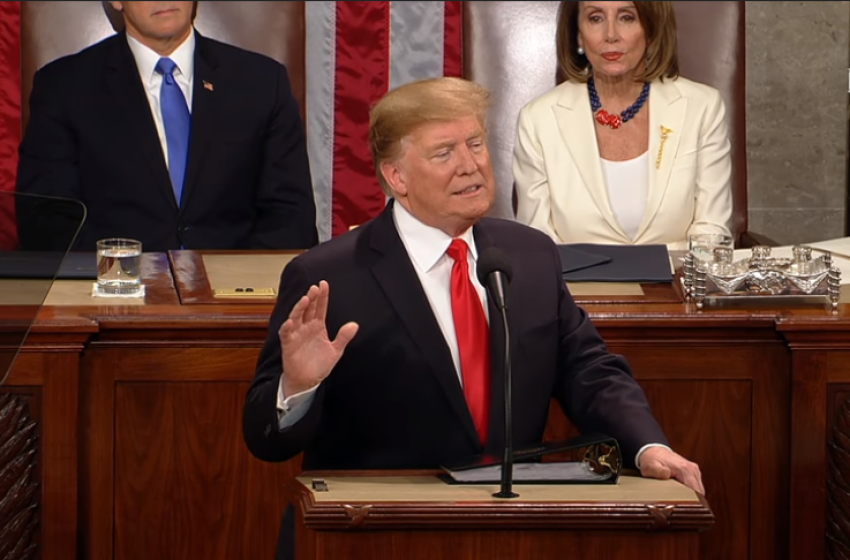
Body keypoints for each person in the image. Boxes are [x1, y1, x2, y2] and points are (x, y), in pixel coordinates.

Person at [244, 76, 703, 512]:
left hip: (511, 527)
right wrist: (298, 387)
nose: (470, 164)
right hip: (383, 531)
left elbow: (589, 370)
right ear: (397, 177)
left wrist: (646, 445)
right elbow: (265, 440)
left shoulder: (530, 255)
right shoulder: (330, 276)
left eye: (476, 144)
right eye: (444, 152)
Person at [15, 1, 318, 252]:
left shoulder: (263, 83)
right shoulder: (64, 88)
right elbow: (47, 220)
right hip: (114, 304)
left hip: (237, 305)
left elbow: (291, 217)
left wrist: (239, 287)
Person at [512, 1, 733, 251]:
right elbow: (539, 245)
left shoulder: (702, 108)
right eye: (596, 18)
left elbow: (712, 230)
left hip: (676, 284)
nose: (611, 35)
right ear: (578, 35)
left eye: (627, 17)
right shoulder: (538, 120)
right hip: (578, 287)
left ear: (650, 29)